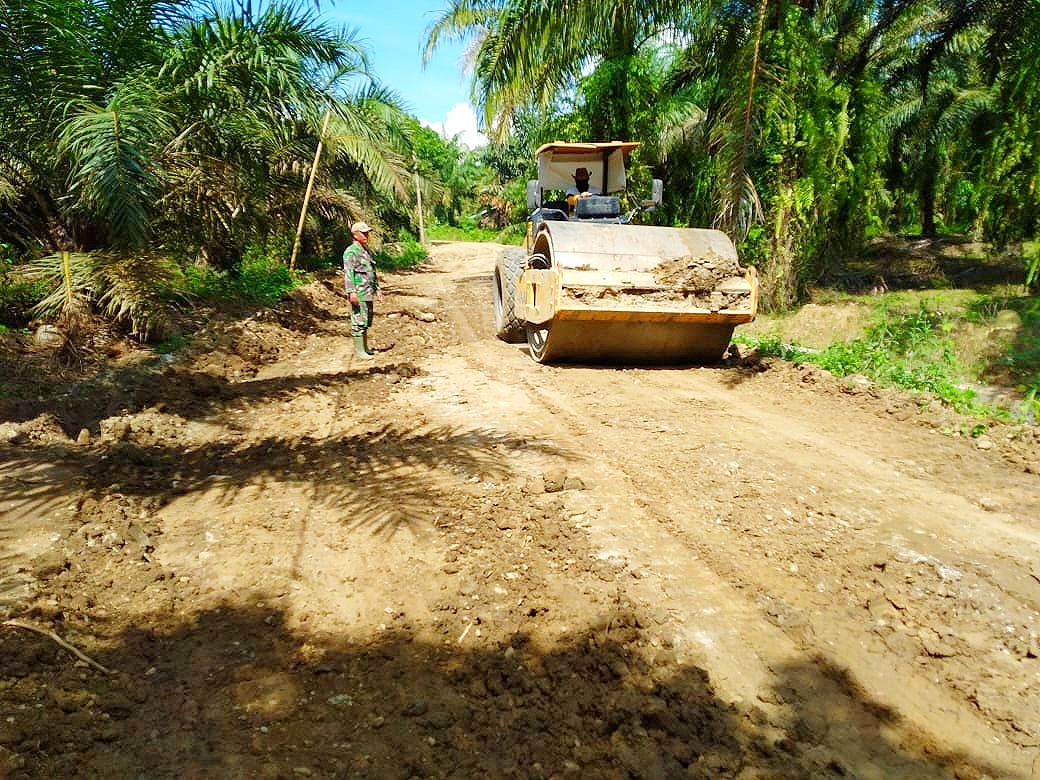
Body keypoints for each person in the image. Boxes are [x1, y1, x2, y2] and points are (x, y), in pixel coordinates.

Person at [342, 220, 384, 359]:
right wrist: (351, 292)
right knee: (358, 320)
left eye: (367, 233)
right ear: (355, 235)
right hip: (359, 292)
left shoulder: (365, 251)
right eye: (363, 233)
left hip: (367, 291)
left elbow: (372, 271)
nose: (366, 235)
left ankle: (365, 348)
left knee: (366, 320)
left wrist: (377, 289)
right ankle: (360, 351)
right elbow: (349, 273)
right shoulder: (350, 252)